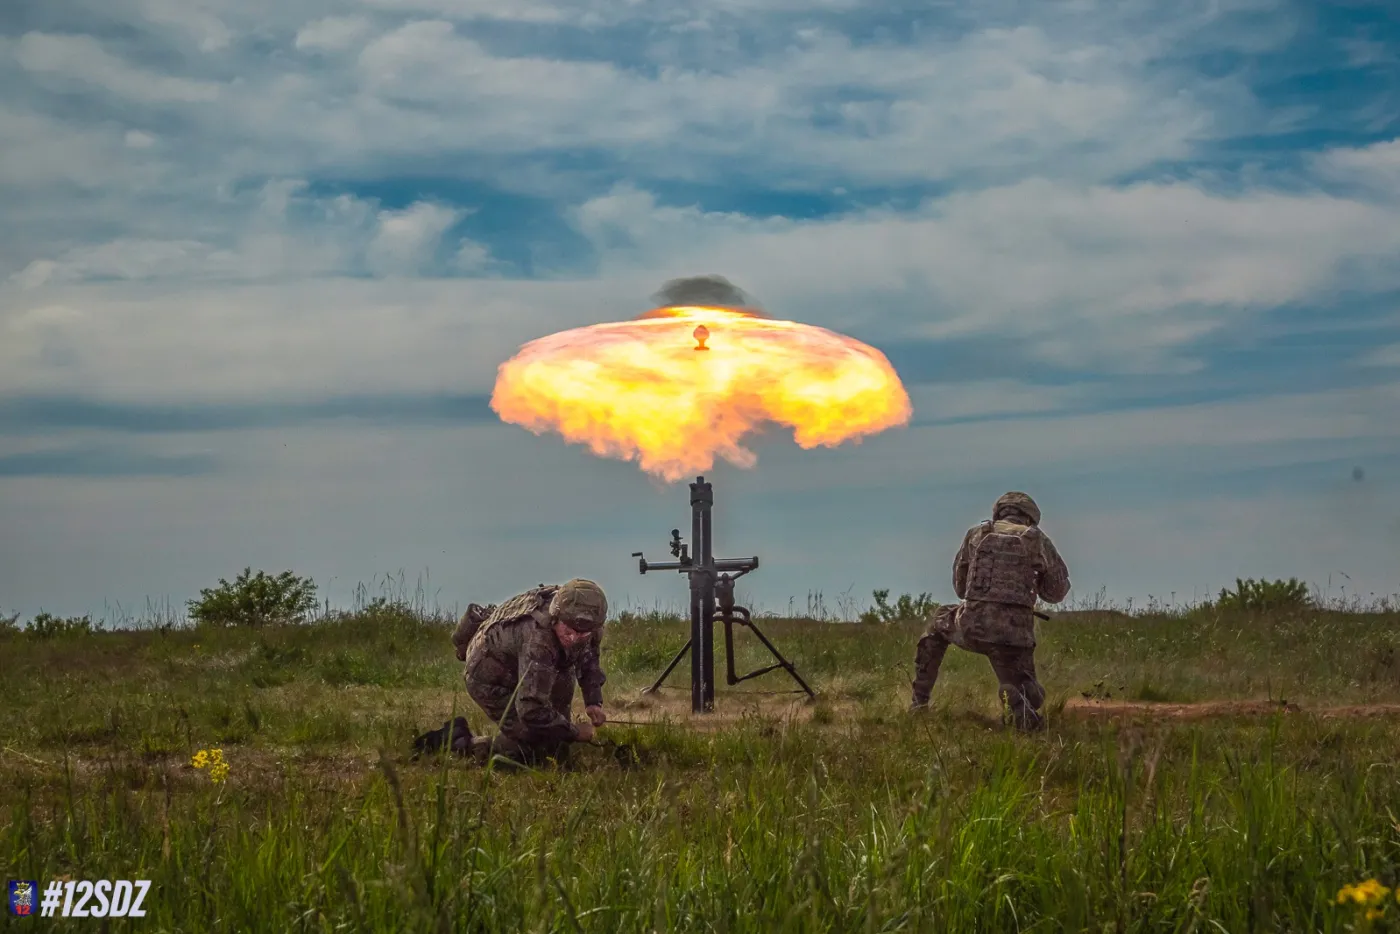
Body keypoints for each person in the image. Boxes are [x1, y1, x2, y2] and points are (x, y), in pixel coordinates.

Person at [910, 492, 1070, 730]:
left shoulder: (976, 534)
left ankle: (919, 703)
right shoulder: (1038, 540)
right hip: (1017, 635)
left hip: (974, 627)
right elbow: (1056, 592)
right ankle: (1020, 699)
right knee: (1029, 688)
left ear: (998, 511)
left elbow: (960, 587)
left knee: (939, 621)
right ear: (1031, 518)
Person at [456, 579, 610, 766]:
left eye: (582, 634)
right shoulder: (539, 639)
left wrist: (594, 702)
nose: (573, 638)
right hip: (490, 677)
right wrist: (575, 732)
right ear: (556, 617)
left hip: (532, 664)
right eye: (568, 630)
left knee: (556, 747)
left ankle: (554, 747)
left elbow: (588, 659)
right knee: (532, 740)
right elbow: (531, 709)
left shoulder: (589, 626)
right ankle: (464, 744)